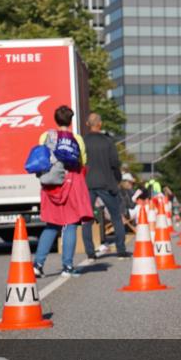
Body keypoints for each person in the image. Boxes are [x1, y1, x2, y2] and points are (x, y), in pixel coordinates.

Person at [32, 105, 94, 278]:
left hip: (51, 184)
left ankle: (38, 264)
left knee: (51, 224)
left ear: (56, 119)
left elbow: (41, 158)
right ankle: (67, 267)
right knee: (70, 224)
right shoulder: (77, 138)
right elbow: (83, 160)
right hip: (71, 183)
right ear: (71, 120)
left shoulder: (45, 136)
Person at [81, 113, 129, 261]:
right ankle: (121, 249)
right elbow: (115, 162)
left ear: (87, 125)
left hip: (88, 183)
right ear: (100, 124)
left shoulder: (83, 141)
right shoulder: (108, 141)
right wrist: (117, 179)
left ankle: (90, 252)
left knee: (86, 219)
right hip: (107, 183)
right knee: (115, 216)